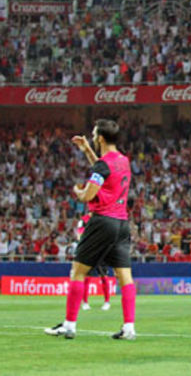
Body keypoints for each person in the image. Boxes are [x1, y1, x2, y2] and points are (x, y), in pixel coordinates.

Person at [45, 119, 136, 340]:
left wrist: (78, 191)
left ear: (101, 138)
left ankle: (69, 325)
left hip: (102, 221)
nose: (93, 137)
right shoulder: (123, 161)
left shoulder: (102, 165)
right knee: (125, 277)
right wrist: (86, 150)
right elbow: (105, 171)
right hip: (122, 223)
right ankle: (129, 328)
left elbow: (88, 194)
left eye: (94, 135)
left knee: (78, 272)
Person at [75, 214, 113, 311]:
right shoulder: (83, 220)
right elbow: (79, 235)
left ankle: (107, 302)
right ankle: (85, 302)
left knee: (104, 277)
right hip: (89, 251)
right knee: (87, 278)